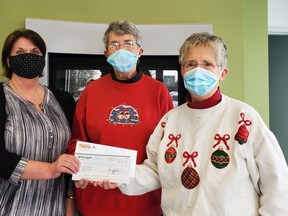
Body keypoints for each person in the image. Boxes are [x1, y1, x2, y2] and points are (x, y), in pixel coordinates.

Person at [98, 32, 288, 215]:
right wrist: (117, 174)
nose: (198, 70)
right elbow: (154, 171)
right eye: (191, 64)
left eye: (207, 64)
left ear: (222, 73)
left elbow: (276, 180)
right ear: (182, 71)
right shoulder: (169, 121)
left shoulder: (243, 118)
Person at [67, 20, 173, 216]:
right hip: (95, 201)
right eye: (114, 44)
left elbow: (168, 146)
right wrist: (80, 169)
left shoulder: (159, 91)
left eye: (128, 43)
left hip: (144, 203)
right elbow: (77, 141)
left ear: (140, 52)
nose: (121, 49)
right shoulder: (92, 91)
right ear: (106, 54)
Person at [0, 29, 80, 216]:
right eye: (20, 53)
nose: (28, 57)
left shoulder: (64, 99)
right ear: (8, 61)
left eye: (35, 52)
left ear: (43, 58)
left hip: (56, 207)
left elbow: (73, 151)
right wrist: (50, 169)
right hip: (10, 206)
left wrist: (70, 198)